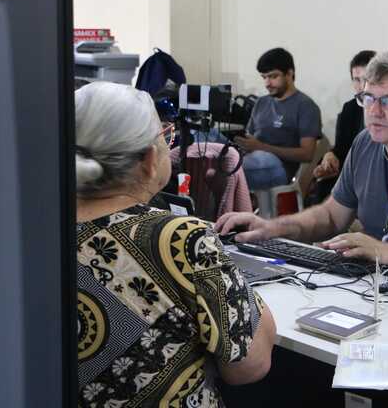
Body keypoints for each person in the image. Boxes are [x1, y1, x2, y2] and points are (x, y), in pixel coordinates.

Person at [75, 82, 276, 407]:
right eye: (166, 136)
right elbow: (250, 366)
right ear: (149, 159)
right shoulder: (181, 239)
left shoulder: (33, 232)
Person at [217, 51, 388, 274]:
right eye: (368, 98)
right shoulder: (365, 143)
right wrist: (269, 227)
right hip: (371, 284)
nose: (374, 111)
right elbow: (330, 216)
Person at [236, 47, 322, 190]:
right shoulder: (261, 103)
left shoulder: (306, 106)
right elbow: (250, 140)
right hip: (254, 159)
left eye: (273, 76)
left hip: (280, 167)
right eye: (264, 77)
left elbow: (307, 154)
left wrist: (261, 147)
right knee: (212, 156)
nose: (267, 83)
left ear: (289, 74)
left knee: (230, 171)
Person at [310, 50, 376, 202]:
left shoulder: (387, 108)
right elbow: (341, 149)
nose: (361, 86)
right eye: (356, 80)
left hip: (377, 175)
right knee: (324, 187)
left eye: (366, 79)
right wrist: (329, 158)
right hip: (354, 175)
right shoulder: (350, 109)